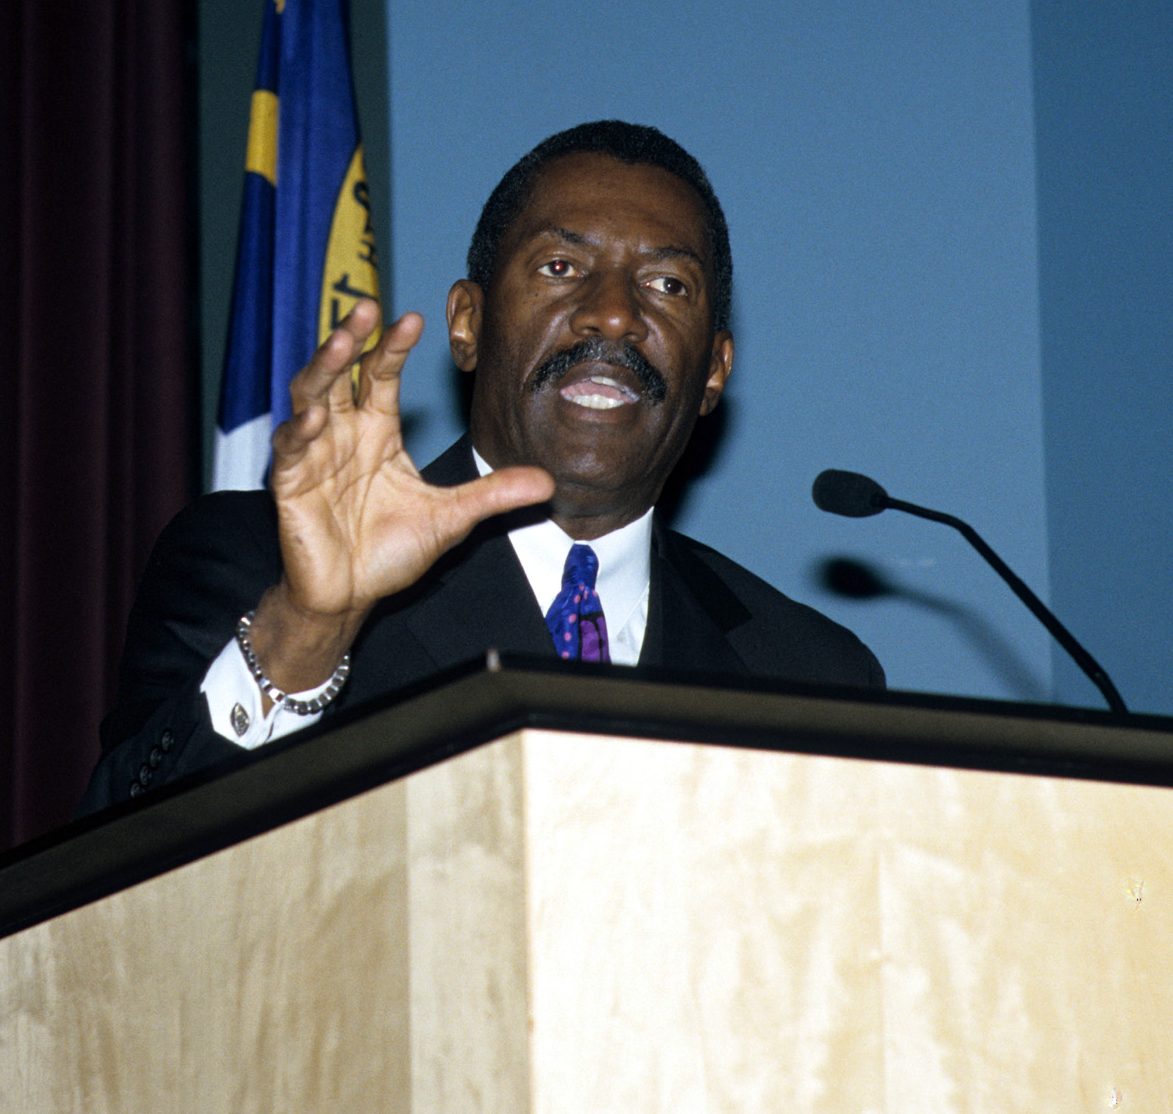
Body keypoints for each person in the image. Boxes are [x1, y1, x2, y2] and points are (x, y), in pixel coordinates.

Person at [77, 120, 881, 814]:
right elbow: (115, 875)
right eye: (561, 267)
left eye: (668, 284)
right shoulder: (261, 564)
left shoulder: (810, 673)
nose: (614, 314)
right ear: (467, 323)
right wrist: (307, 631)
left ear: (714, 371)